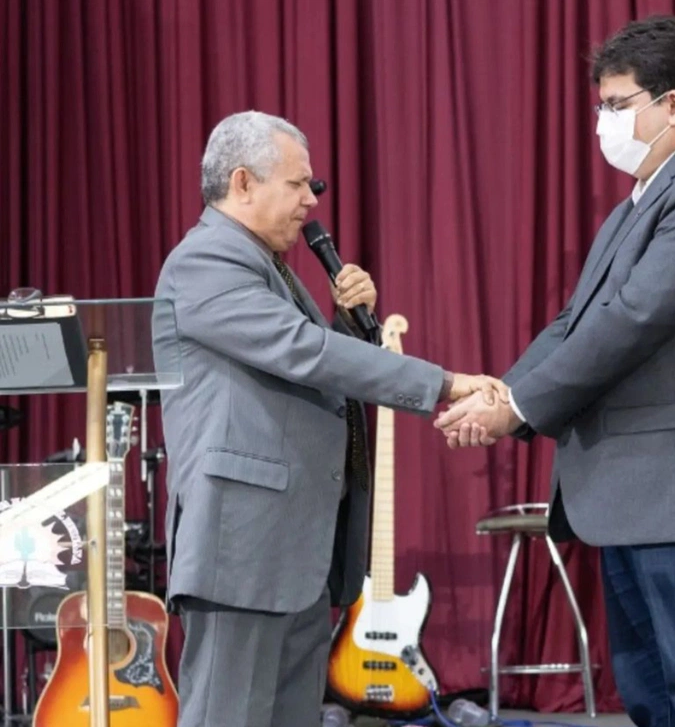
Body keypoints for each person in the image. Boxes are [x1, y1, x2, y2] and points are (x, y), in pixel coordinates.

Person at [436, 16, 675, 727]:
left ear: (674, 105)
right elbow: (577, 321)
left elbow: (633, 317)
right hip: (634, 492)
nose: (601, 122)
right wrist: (501, 391)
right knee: (653, 700)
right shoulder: (640, 202)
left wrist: (519, 407)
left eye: (616, 105)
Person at [151, 110, 504, 727]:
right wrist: (444, 382)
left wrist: (346, 323)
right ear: (242, 182)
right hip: (244, 551)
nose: (309, 203)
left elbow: (304, 363)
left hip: (292, 550)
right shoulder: (205, 261)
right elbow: (303, 352)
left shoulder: (269, 267)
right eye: (297, 185)